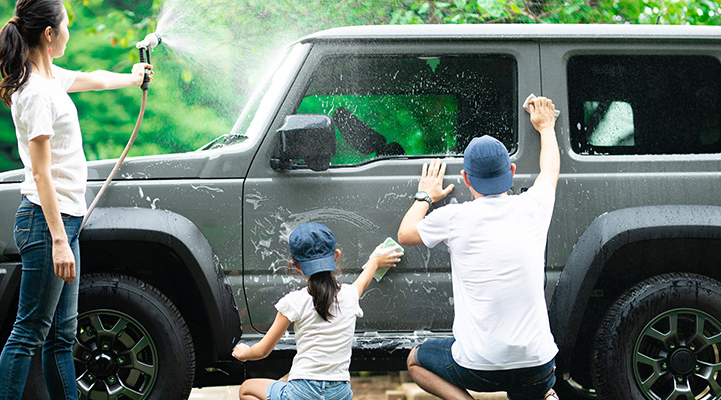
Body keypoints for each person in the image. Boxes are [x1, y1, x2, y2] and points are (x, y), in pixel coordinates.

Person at [0, 0, 152, 398]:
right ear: (49, 34)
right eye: (65, 26)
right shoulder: (36, 93)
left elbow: (90, 79)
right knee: (29, 332)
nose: (68, 33)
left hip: (64, 222)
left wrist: (132, 79)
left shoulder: (48, 78)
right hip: (48, 224)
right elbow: (41, 173)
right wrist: (60, 240)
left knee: (61, 336)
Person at [396, 96, 561, 400]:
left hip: (478, 369)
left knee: (415, 360)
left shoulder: (453, 217)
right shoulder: (533, 207)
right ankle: (545, 395)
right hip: (538, 365)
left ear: (466, 178)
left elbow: (405, 233)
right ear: (511, 172)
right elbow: (550, 170)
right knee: (533, 388)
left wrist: (426, 195)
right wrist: (546, 127)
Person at [232, 223, 401, 400]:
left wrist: (244, 353)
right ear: (336, 256)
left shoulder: (293, 302)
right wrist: (375, 261)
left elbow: (262, 351)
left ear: (295, 266)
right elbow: (363, 282)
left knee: (247, 389)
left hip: (302, 391)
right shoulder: (350, 295)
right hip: (340, 392)